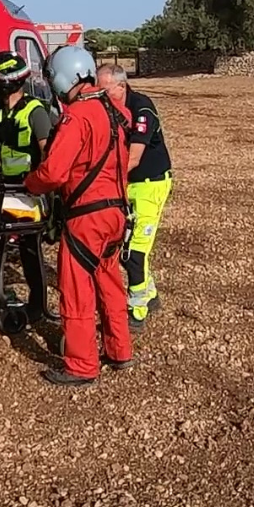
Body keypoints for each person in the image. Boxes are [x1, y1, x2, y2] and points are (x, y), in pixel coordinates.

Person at [23, 46, 134, 386]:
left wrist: (31, 184)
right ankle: (119, 350)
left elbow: (55, 172)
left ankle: (82, 364)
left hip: (88, 217)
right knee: (110, 281)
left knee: (75, 289)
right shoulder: (115, 111)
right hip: (117, 213)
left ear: (61, 79)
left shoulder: (78, 116)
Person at [0, 51, 57, 323]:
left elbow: (48, 154)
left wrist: (38, 185)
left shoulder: (35, 112)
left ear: (4, 84)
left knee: (30, 249)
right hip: (2, 188)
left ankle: (37, 304)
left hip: (28, 193)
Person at [97, 63, 173, 328]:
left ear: (122, 85)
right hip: (129, 184)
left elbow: (133, 157)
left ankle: (137, 309)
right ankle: (150, 294)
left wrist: (101, 178)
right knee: (125, 243)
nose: (101, 95)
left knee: (133, 251)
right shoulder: (109, 106)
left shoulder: (141, 108)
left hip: (149, 184)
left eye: (105, 90)